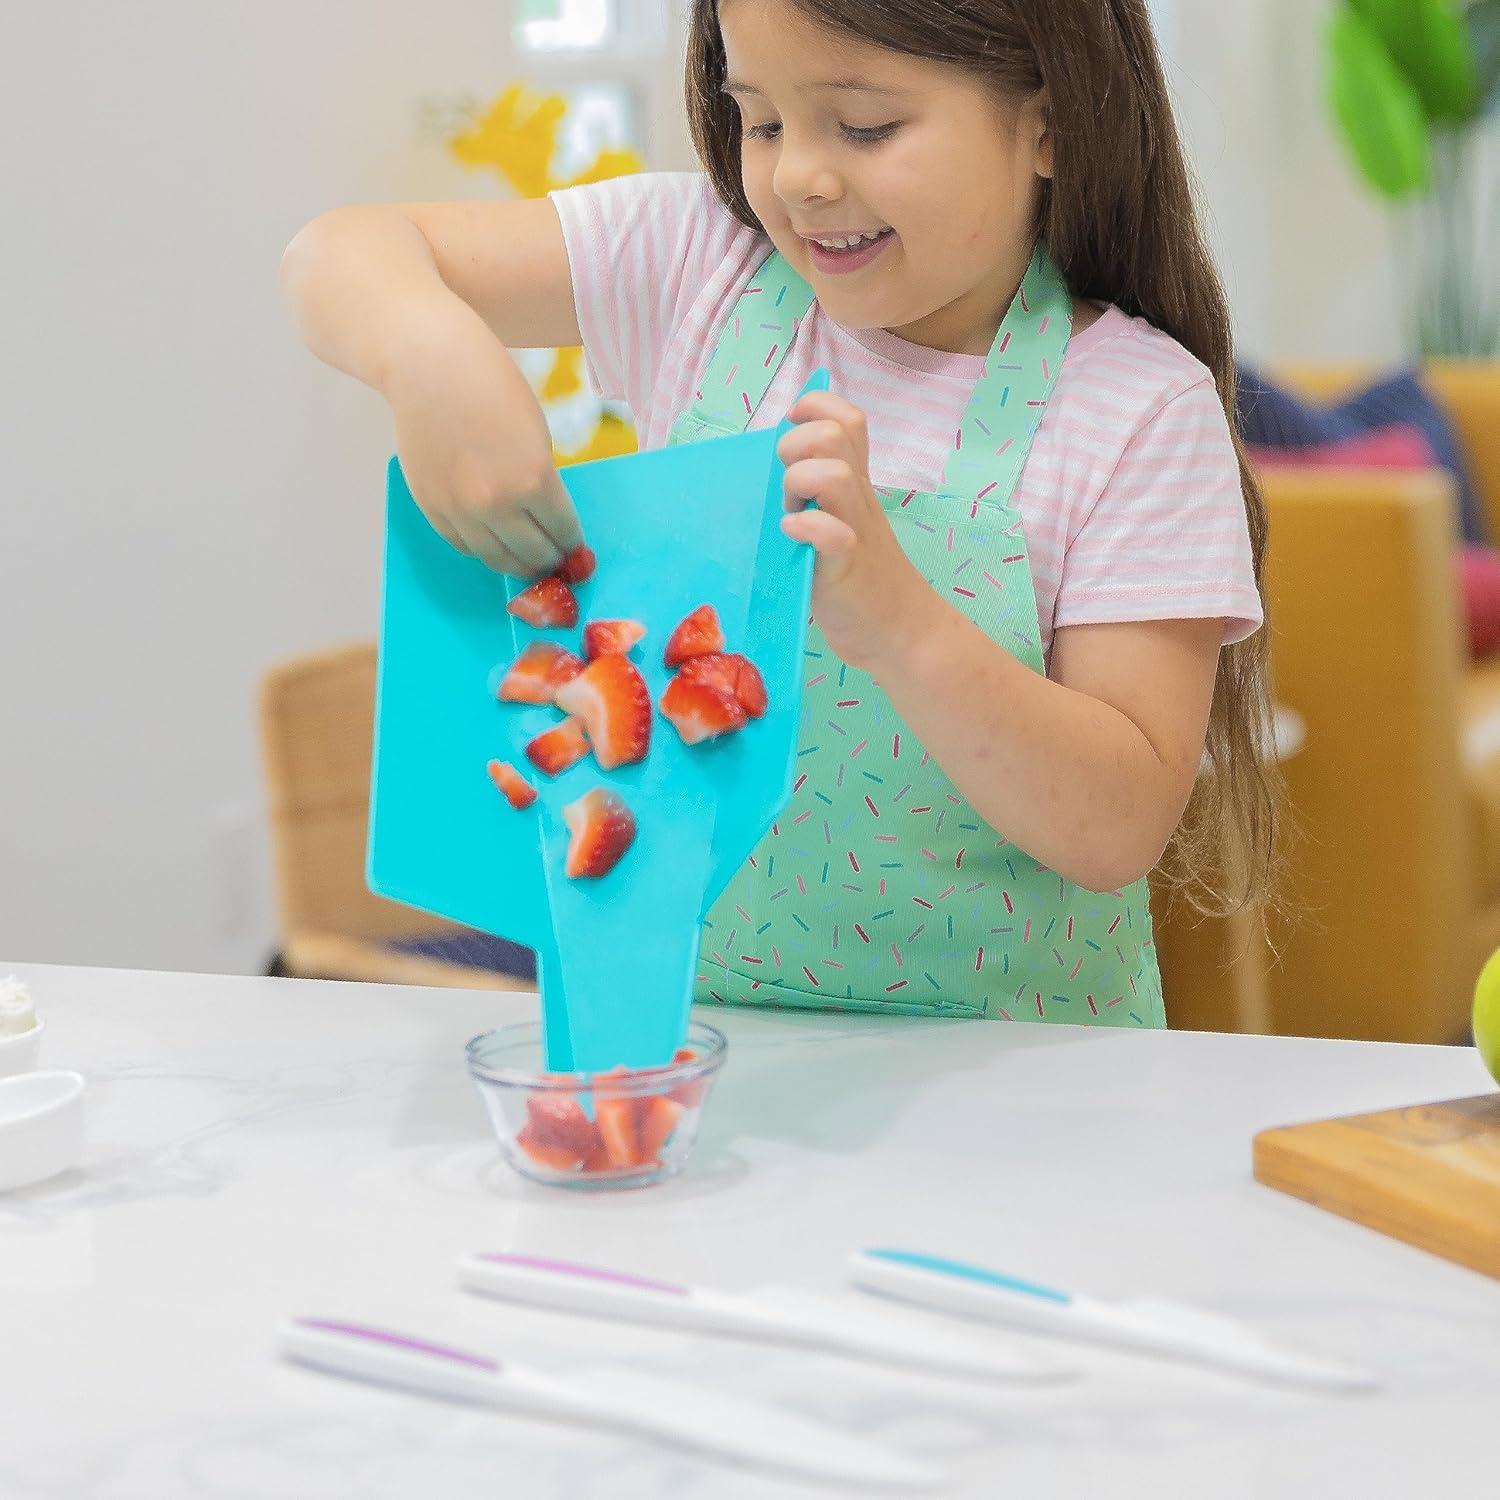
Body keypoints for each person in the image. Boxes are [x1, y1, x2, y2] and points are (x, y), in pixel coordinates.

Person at [280, 0, 1277, 1027]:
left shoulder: (1138, 407)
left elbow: (1115, 828)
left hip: (1021, 1099)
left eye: (863, 126)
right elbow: (336, 253)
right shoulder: (697, 268)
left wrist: (899, 620)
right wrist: (428, 351)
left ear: (1050, 123)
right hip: (700, 1056)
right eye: (760, 121)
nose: (800, 176)